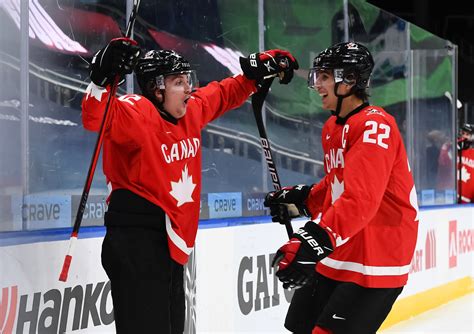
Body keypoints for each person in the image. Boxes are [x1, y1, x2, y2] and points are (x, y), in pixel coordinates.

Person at [81, 37, 298, 333]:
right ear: (157, 89)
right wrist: (100, 79)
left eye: (188, 81)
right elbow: (96, 118)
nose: (188, 89)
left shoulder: (189, 112)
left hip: (169, 242)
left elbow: (222, 94)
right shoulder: (136, 113)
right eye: (179, 82)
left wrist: (254, 74)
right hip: (136, 242)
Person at [264, 42, 419, 334]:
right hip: (344, 247)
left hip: (377, 256)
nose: (317, 84)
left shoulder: (376, 126)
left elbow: (361, 199)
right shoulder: (333, 127)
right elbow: (342, 186)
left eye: (324, 76)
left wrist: (311, 239)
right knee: (300, 325)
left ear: (348, 80)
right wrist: (305, 200)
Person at [458, 123, 474, 203]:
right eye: (463, 133)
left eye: (467, 134)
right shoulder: (454, 151)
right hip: (452, 198)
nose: (464, 136)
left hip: (468, 202)